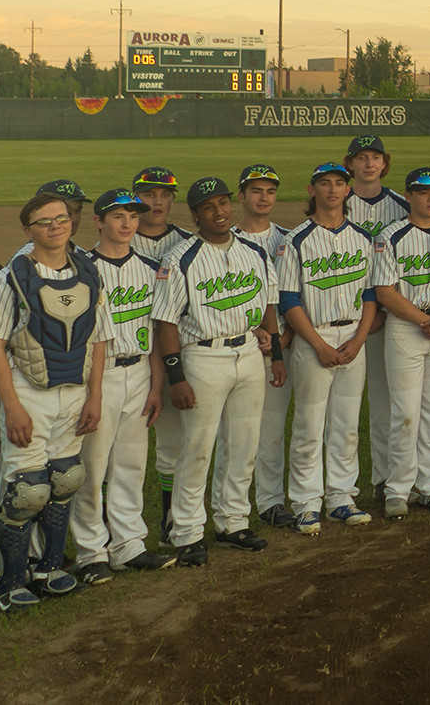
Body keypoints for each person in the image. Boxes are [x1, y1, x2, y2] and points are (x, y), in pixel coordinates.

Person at [0, 192, 117, 611]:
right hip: (29, 393)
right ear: (28, 230)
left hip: (75, 392)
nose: (56, 226)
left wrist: (96, 395)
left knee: (65, 480)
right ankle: (6, 580)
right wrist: (12, 406)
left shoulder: (89, 273)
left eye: (61, 218)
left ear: (72, 222)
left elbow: (100, 339)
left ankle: (50, 569)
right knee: (27, 491)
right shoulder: (11, 276)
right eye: (44, 221)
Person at [149, 177, 282, 568]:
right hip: (202, 358)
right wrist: (177, 377)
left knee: (243, 443)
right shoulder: (179, 258)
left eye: (223, 203)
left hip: (248, 353)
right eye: (209, 206)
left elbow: (269, 304)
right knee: (198, 447)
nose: (219, 212)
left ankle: (232, 521)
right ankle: (186, 531)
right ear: (195, 215)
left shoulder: (255, 252)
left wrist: (275, 354)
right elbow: (166, 322)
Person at [68, 190, 174, 585]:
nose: (128, 223)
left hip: (141, 373)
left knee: (131, 463)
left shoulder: (149, 268)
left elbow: (158, 331)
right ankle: (91, 551)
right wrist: (93, 394)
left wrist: (157, 385)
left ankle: (129, 545)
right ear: (99, 221)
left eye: (133, 215)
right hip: (99, 376)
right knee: (92, 468)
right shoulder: (82, 268)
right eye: (118, 216)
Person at [278, 162, 378, 534]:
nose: (333, 189)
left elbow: (370, 293)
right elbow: (289, 300)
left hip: (354, 335)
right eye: (325, 183)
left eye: (339, 183)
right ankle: (305, 502)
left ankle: (340, 497)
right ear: (312, 189)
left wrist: (359, 338)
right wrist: (318, 344)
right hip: (312, 337)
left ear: (348, 191)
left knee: (346, 424)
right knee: (308, 423)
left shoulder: (363, 239)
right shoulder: (295, 240)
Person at [371, 168, 430, 519]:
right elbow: (384, 292)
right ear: (408, 195)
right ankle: (397, 489)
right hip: (405, 329)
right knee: (406, 413)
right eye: (424, 192)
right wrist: (425, 321)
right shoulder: (390, 236)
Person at [231, 164, 296, 533]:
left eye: (270, 191)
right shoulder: (225, 238)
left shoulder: (288, 238)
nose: (264, 198)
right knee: (238, 432)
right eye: (256, 191)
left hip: (285, 342)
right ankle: (238, 508)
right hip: (241, 346)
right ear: (242, 196)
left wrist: (281, 339)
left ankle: (271, 500)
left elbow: (294, 293)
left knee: (273, 425)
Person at [343, 135, 407, 503]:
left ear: (385, 163)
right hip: (340, 317)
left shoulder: (401, 204)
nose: (369, 163)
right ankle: (338, 486)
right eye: (361, 157)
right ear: (349, 163)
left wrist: (383, 310)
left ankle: (384, 478)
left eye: (376, 157)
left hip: (385, 317)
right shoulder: (335, 200)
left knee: (385, 403)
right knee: (342, 410)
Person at [130, 165, 192, 541]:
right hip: (131, 356)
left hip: (175, 351)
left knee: (173, 440)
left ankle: (171, 519)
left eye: (164, 194)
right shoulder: (118, 237)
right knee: (122, 451)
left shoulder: (187, 243)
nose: (156, 201)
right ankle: (114, 528)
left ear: (172, 199)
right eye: (148, 194)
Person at [129, 167, 194, 262]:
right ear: (135, 199)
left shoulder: (190, 243)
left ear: (173, 199)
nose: (158, 202)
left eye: (165, 195)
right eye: (150, 195)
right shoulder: (119, 242)